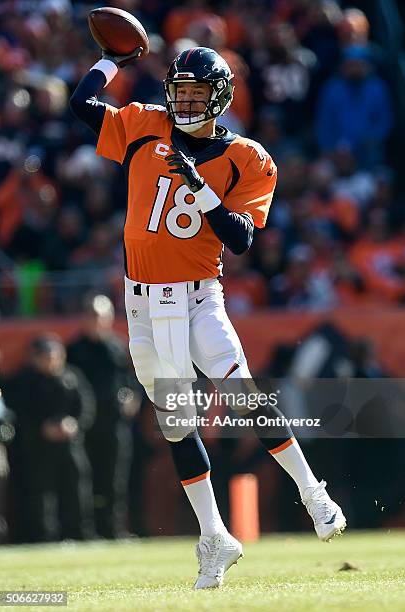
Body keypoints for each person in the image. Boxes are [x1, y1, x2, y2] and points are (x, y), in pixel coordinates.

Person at [70, 43, 346, 589]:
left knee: (242, 396)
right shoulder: (147, 124)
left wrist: (201, 191)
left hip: (197, 298)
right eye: (180, 91)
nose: (186, 101)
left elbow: (241, 239)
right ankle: (215, 536)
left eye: (197, 92)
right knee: (175, 421)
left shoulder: (246, 156)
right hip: (140, 303)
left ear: (218, 97)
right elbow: (83, 103)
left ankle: (314, 494)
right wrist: (113, 60)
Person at [2, 335, 95, 543]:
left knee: (77, 489)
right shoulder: (25, 381)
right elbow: (17, 413)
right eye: (46, 357)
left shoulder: (73, 377)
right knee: (41, 493)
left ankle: (80, 534)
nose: (51, 361)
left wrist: (75, 424)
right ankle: (45, 536)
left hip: (71, 444)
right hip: (38, 447)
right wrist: (41, 429)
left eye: (55, 356)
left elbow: (86, 405)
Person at [67, 294, 142, 539]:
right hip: (84, 424)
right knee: (85, 478)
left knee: (116, 478)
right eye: (92, 316)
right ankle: (86, 530)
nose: (97, 322)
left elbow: (133, 380)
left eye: (101, 316)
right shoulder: (74, 350)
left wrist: (134, 398)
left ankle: (114, 529)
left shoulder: (119, 347)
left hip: (115, 423)